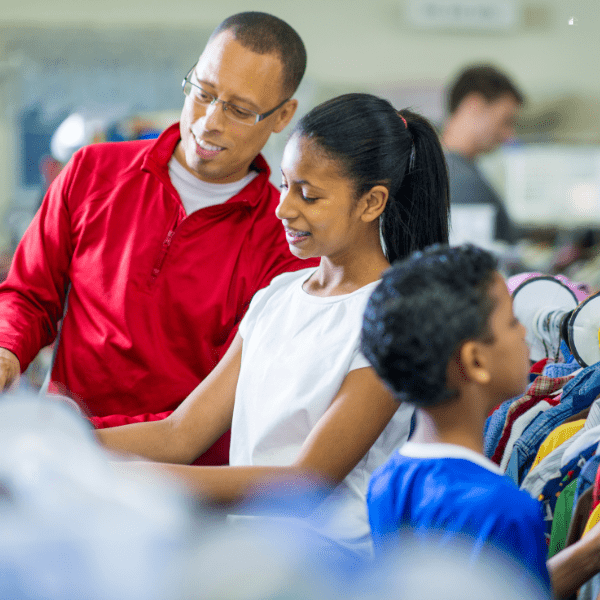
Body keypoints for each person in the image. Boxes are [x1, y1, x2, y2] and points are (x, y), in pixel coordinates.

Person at [96, 93, 450, 557]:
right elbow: (180, 433)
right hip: (255, 556)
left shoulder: (396, 316)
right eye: (284, 185)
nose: (283, 208)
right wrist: (60, 437)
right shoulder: (277, 297)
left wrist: (125, 476)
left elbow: (307, 480)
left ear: (371, 202)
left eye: (309, 194)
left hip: (332, 565)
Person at [0, 12, 315, 465]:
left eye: (240, 110)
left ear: (283, 115)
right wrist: (8, 351)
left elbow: (219, 409)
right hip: (56, 465)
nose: (209, 121)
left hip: (183, 484)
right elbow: (29, 295)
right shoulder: (91, 172)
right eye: (203, 93)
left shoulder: (285, 242)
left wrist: (73, 434)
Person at [361, 244, 600, 598]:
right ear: (475, 361)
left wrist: (585, 555)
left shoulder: (387, 480)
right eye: (511, 322)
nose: (524, 334)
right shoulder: (504, 509)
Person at [442, 65, 524, 244]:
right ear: (474, 106)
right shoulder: (463, 182)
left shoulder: (448, 168)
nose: (509, 135)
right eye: (506, 121)